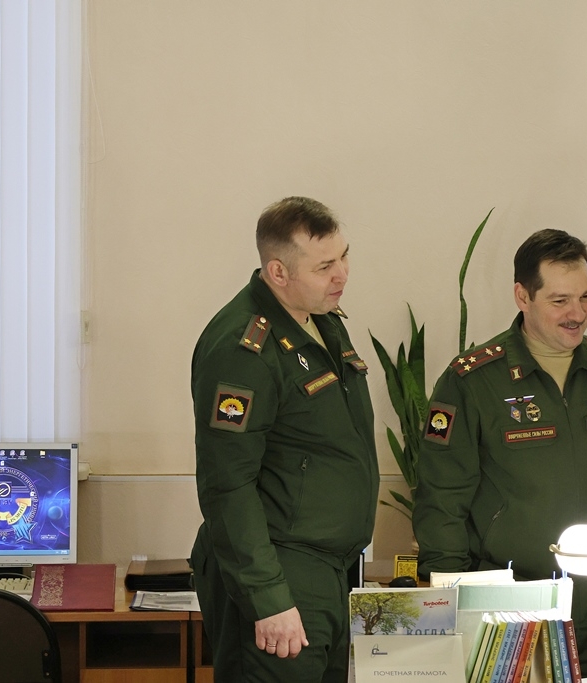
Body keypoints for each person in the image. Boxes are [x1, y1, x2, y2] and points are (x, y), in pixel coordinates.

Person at [413, 229, 587, 677]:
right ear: (523, 296)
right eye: (560, 301)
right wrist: (450, 593)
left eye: (586, 297)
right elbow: (442, 496)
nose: (578, 313)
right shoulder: (473, 379)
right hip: (506, 604)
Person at [190, 196, 378, 682]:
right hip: (282, 572)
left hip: (329, 568)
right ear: (278, 272)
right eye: (324, 266)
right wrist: (268, 598)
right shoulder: (243, 349)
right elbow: (227, 485)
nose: (342, 275)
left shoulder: (321, 322)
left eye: (343, 257)